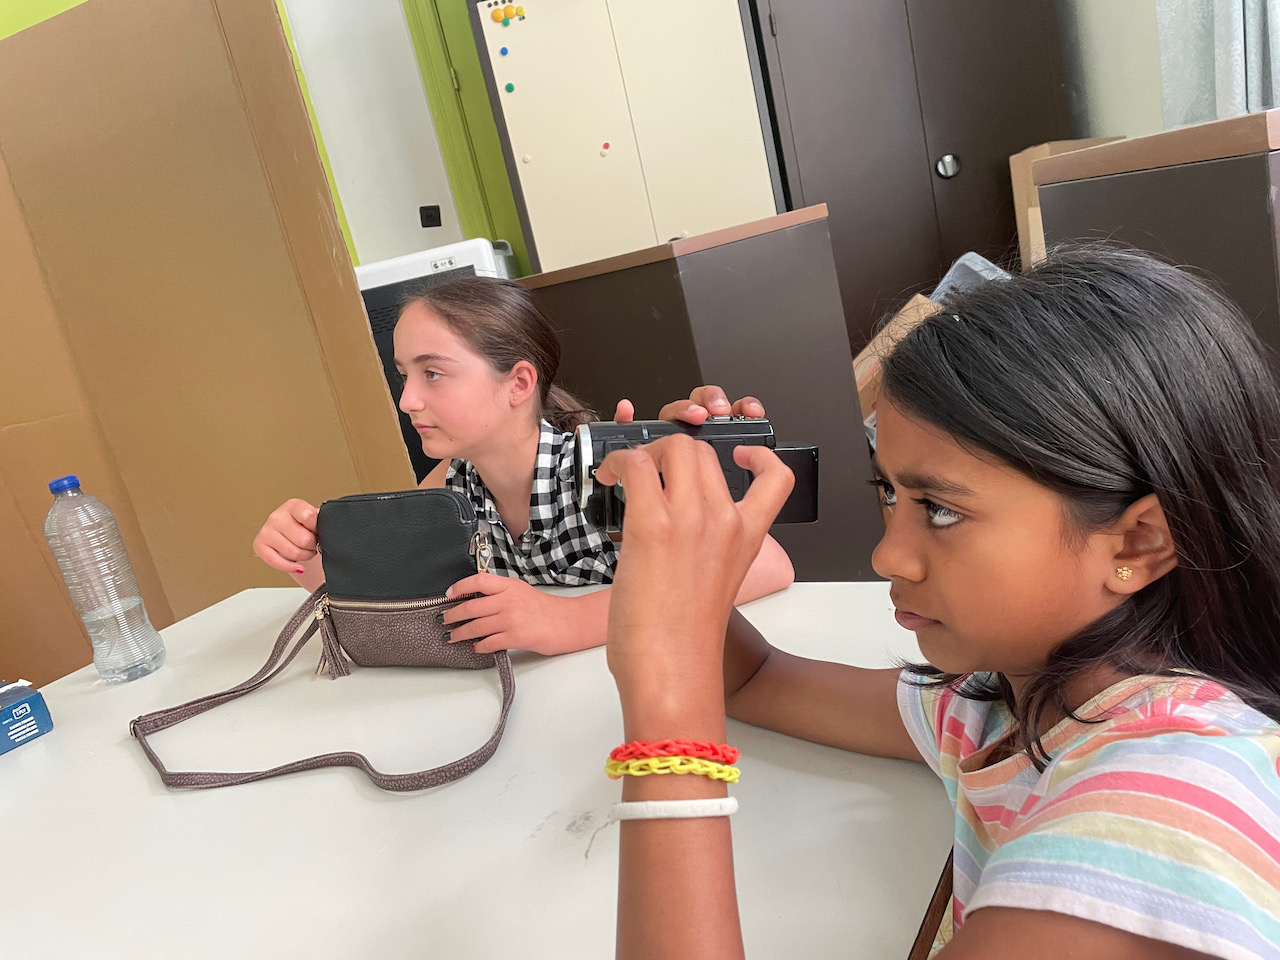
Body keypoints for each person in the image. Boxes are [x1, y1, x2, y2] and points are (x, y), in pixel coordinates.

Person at [599, 247, 1280, 960]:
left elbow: (721, 685)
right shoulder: (1002, 708)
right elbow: (754, 679)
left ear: (1138, 543)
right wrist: (658, 537)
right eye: (890, 492)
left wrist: (667, 713)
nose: (887, 556)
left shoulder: (1164, 812)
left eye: (942, 509)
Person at [252, 276, 793, 655]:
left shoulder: (606, 471)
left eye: (432, 374)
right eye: (404, 376)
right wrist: (304, 556)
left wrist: (569, 621)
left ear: (518, 384)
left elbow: (767, 565)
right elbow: (394, 594)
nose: (407, 400)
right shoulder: (449, 484)